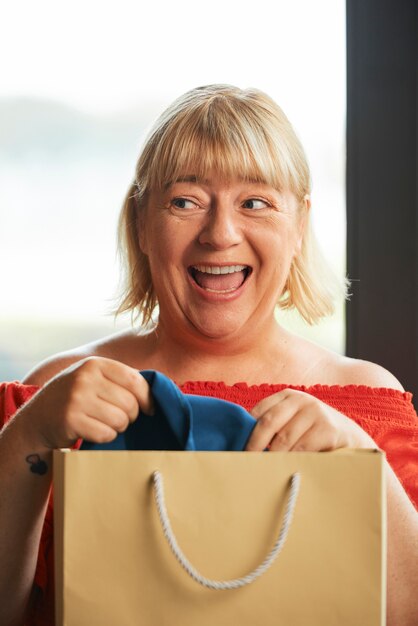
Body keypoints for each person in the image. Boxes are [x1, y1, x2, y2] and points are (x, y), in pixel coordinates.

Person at [0, 84, 417, 626]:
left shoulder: (366, 401)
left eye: (256, 203)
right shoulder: (52, 393)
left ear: (299, 228)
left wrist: (365, 462)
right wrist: (31, 435)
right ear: (141, 224)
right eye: (185, 202)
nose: (220, 234)